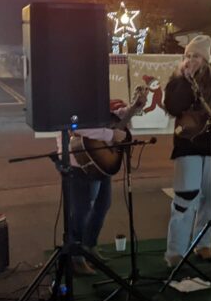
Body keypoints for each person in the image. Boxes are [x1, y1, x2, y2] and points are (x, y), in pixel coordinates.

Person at [162, 34, 211, 266]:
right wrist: (186, 81)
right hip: (188, 146)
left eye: (196, 56)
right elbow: (173, 106)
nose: (190, 60)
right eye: (187, 55)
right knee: (185, 197)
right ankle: (175, 251)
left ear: (206, 59)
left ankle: (204, 243)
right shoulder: (177, 80)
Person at [61, 90, 147, 275]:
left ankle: (90, 245)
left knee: (102, 205)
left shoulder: (96, 91)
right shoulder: (72, 94)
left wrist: (131, 109)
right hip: (80, 161)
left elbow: (110, 116)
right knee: (82, 210)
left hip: (100, 158)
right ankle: (76, 257)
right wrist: (110, 135)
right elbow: (76, 126)